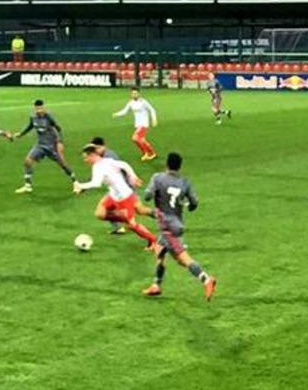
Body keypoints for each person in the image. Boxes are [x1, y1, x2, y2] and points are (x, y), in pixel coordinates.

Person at [141, 152, 217, 301]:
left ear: (166, 164)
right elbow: (194, 204)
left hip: (168, 227)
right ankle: (156, 285)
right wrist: (187, 205)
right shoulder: (185, 182)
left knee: (183, 259)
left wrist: (156, 194)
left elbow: (147, 196)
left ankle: (206, 280)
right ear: (179, 167)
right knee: (159, 251)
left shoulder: (157, 178)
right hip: (175, 224)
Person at [73, 145, 157, 249]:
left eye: (86, 157)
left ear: (92, 155)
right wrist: (132, 176)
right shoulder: (108, 161)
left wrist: (80, 185)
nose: (85, 160)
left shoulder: (98, 167)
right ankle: (127, 218)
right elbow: (124, 165)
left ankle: (153, 241)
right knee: (100, 213)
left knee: (131, 224)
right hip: (113, 195)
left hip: (124, 197)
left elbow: (96, 183)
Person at [12, 100, 76, 194]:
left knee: (62, 164)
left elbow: (58, 128)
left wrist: (60, 142)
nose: (39, 110)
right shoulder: (33, 117)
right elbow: (30, 126)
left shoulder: (48, 117)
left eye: (40, 108)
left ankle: (75, 182)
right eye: (37, 108)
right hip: (40, 145)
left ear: (43, 108)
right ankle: (28, 185)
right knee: (28, 161)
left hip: (52, 146)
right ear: (34, 109)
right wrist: (20, 134)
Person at [112, 87, 158, 161]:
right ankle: (152, 153)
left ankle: (146, 153)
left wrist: (154, 119)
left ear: (139, 94)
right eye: (133, 93)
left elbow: (152, 109)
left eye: (136, 93)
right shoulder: (131, 102)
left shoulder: (143, 102)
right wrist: (116, 114)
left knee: (135, 138)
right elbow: (124, 111)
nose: (134, 95)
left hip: (144, 124)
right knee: (141, 140)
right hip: (137, 124)